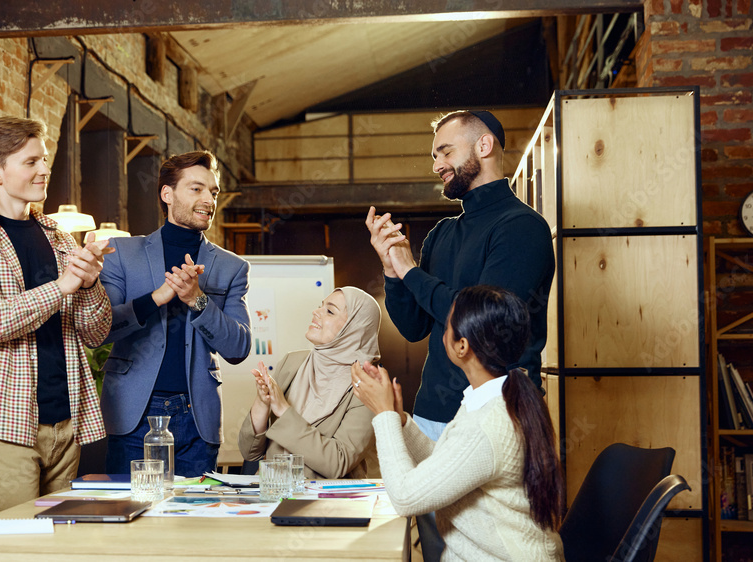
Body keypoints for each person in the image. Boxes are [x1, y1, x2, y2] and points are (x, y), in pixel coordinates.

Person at [0, 116, 113, 517]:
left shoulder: (58, 237)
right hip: (5, 421)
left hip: (67, 421)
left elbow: (97, 333)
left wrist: (87, 286)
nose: (44, 170)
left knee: (65, 545)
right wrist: (61, 287)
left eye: (44, 160)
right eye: (31, 162)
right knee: (11, 545)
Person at [365, 110, 554, 442]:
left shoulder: (522, 227)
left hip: (497, 412)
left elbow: (480, 322)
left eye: (446, 151)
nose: (437, 165)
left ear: (484, 146)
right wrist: (392, 270)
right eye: (435, 156)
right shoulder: (442, 233)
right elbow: (413, 328)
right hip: (430, 415)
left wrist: (410, 269)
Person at [353, 285, 564, 561]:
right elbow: (448, 463)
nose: (443, 334)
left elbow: (405, 497)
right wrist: (400, 418)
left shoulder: (489, 423)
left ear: (462, 346)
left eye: (446, 326)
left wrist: (383, 415)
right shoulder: (493, 400)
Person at [99, 150, 252, 476]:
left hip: (196, 419)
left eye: (213, 191)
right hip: (131, 414)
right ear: (167, 194)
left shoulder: (232, 267)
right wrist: (157, 298)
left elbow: (239, 348)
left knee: (193, 524)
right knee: (130, 522)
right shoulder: (121, 253)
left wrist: (197, 299)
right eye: (196, 189)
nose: (208, 199)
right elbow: (102, 330)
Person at [238, 287, 380, 479]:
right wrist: (262, 404)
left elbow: (337, 463)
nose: (316, 312)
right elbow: (249, 452)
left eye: (329, 311)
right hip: (272, 495)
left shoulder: (367, 387)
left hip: (327, 504)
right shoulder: (292, 363)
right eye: (320, 306)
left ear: (355, 328)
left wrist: (282, 409)